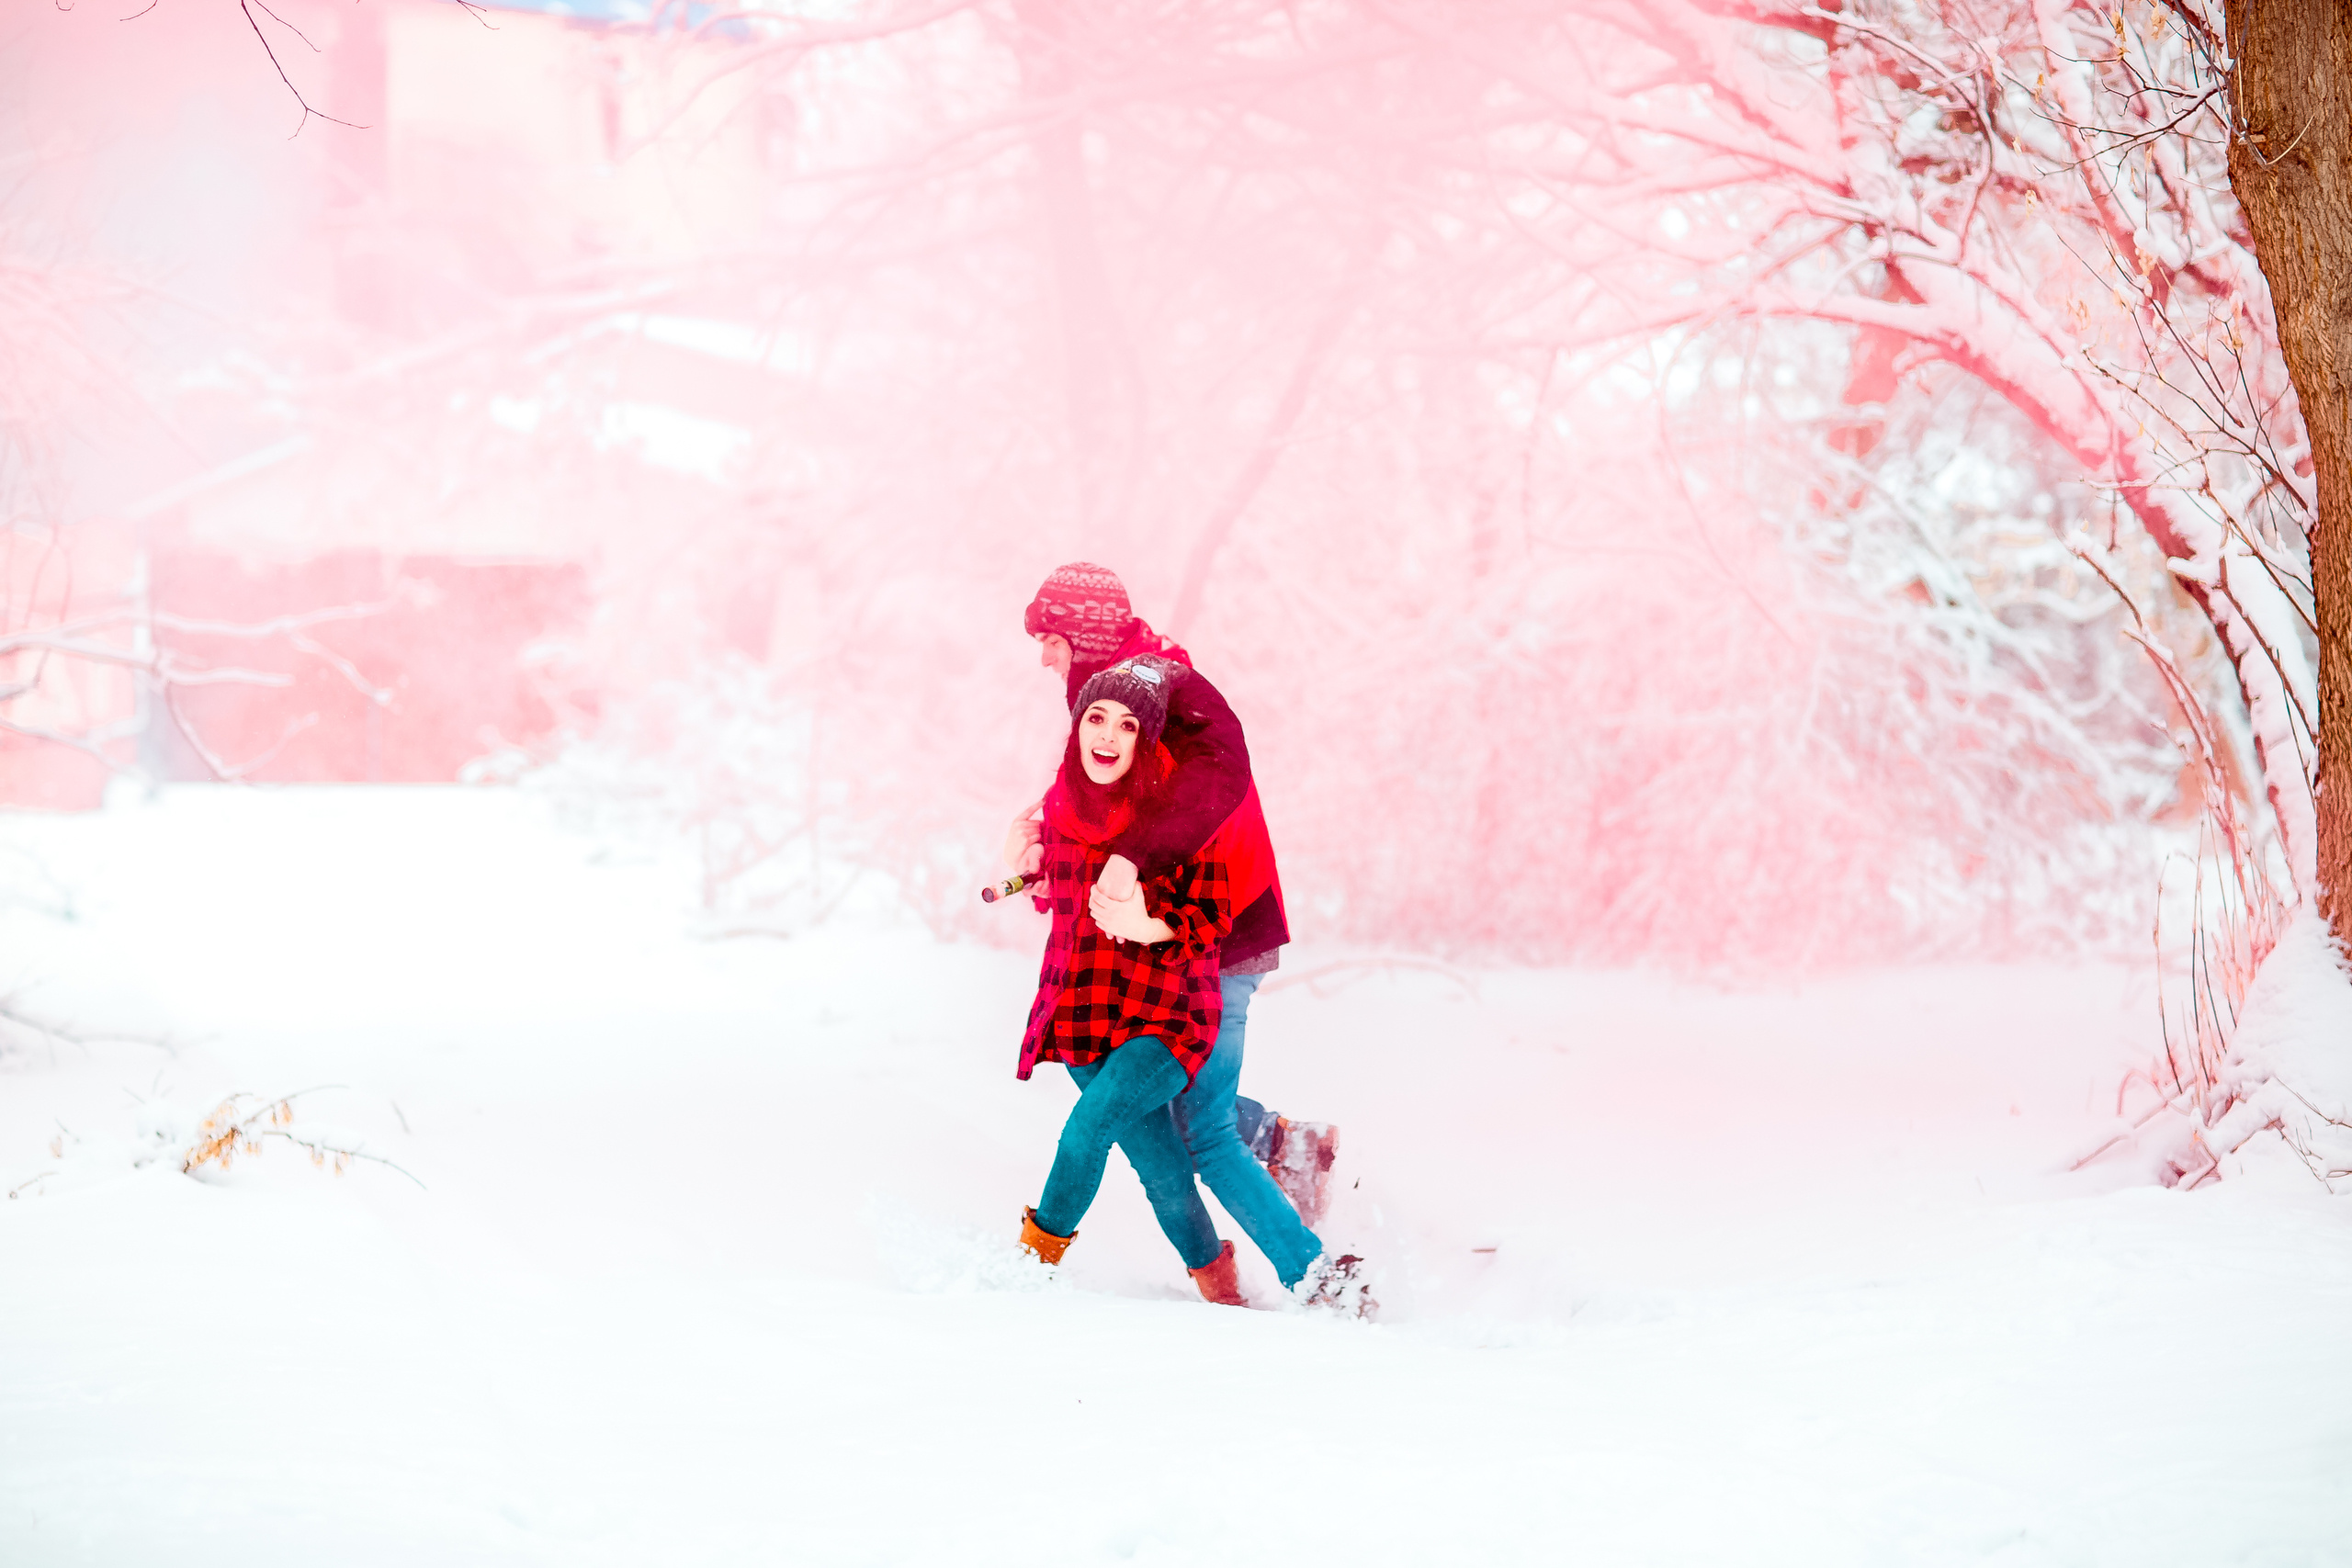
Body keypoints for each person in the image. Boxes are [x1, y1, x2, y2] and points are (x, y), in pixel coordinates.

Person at [1012, 656, 1367, 1315]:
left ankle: (1028, 1266)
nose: (1109, 735)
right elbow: (1057, 900)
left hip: (1163, 1019)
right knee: (1162, 1168)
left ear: (1148, 740)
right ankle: (1221, 1288)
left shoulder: (1175, 816)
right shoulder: (1065, 807)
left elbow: (1209, 917)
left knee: (1090, 1131)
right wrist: (1028, 855)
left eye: (1127, 724)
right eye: (1096, 717)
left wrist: (1149, 924)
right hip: (1084, 1017)